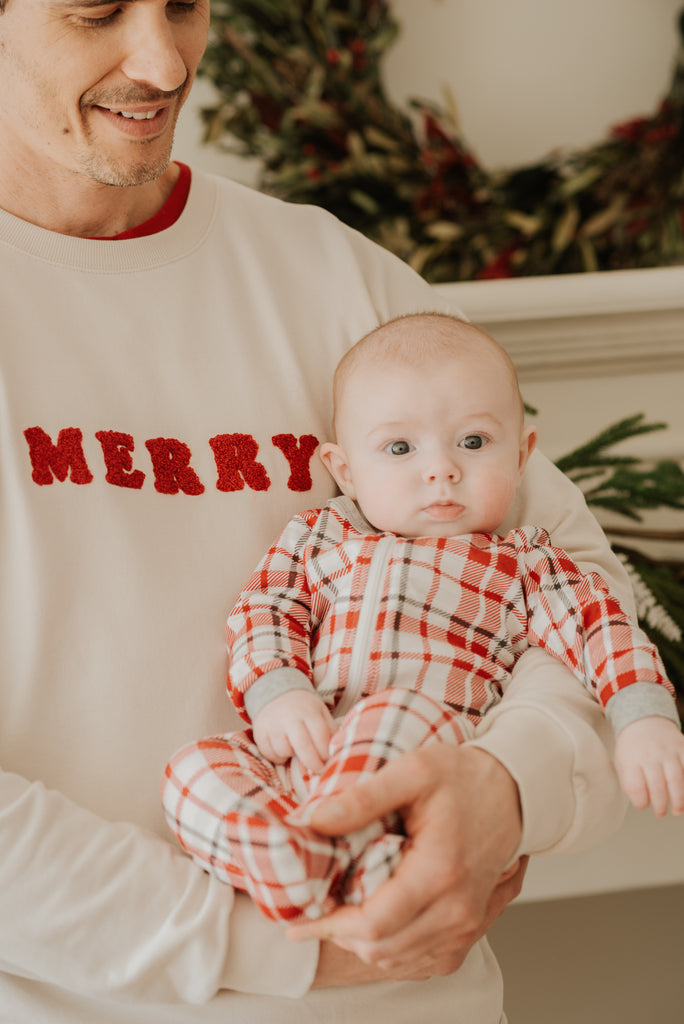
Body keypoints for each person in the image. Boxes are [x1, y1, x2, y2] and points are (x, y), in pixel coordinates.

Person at [0, 0, 640, 1021]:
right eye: (96, 12)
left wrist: (508, 788)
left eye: (184, 6)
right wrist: (289, 952)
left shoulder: (339, 278)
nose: (162, 60)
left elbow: (583, 592)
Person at [162, 312, 683, 923]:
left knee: (393, 711)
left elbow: (602, 629)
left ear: (521, 457)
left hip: (425, 752)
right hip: (302, 750)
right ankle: (314, 862)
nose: (441, 469)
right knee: (195, 767)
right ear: (347, 471)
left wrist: (643, 717)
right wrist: (278, 690)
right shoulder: (320, 537)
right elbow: (266, 609)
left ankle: (337, 862)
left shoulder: (525, 564)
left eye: (472, 442)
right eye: (400, 448)